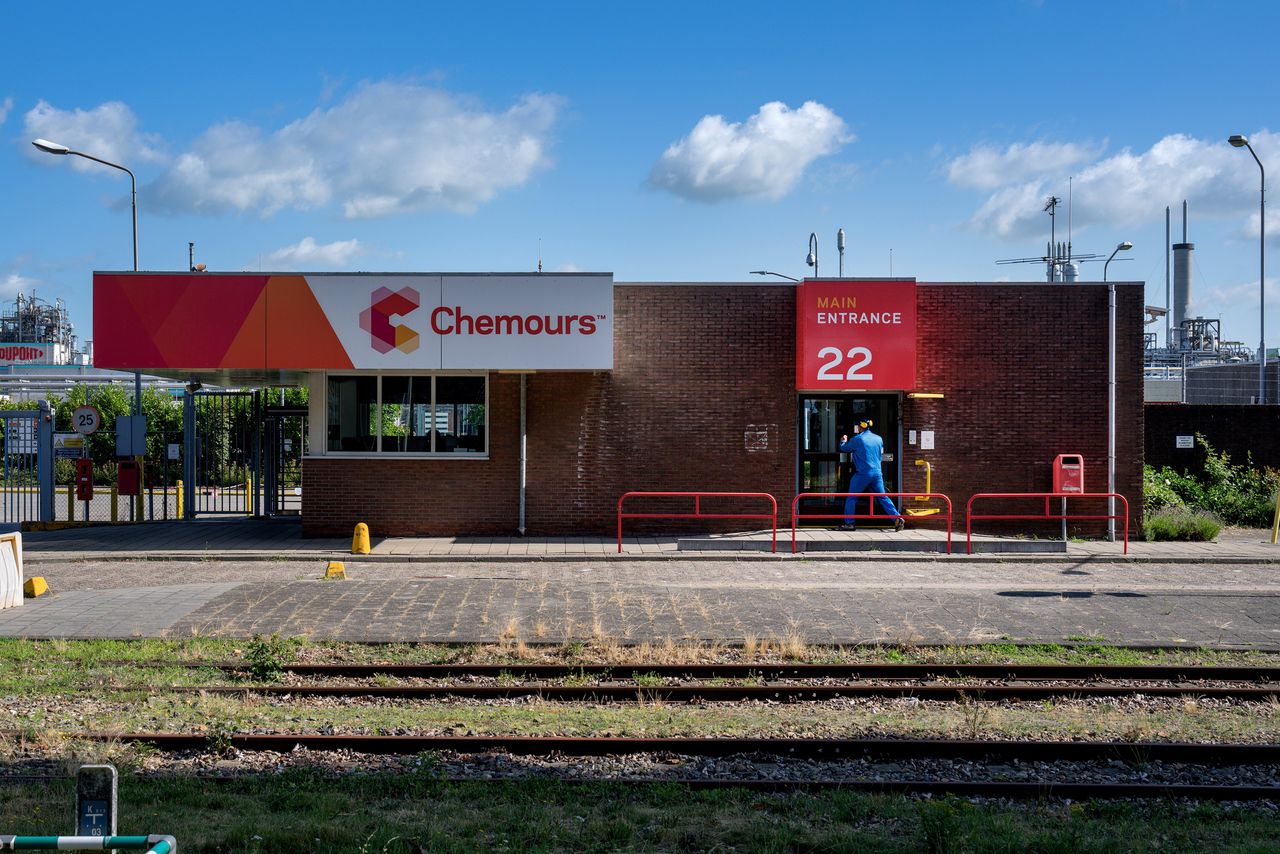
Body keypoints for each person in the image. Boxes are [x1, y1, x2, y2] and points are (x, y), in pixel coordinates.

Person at [837, 418, 904, 532]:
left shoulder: (858, 439)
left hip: (863, 473)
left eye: (858, 426)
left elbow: (844, 448)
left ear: (860, 427)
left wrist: (843, 440)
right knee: (882, 497)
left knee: (852, 497)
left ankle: (849, 523)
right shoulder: (878, 439)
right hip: (877, 473)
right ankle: (897, 518)